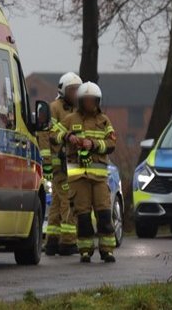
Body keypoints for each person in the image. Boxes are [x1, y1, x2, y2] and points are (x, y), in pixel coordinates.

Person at [55, 81, 118, 263]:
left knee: (104, 214)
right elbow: (53, 134)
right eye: (87, 100)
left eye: (93, 100)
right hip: (78, 178)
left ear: (98, 101)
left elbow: (112, 143)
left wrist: (95, 144)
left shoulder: (104, 121)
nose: (90, 103)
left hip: (99, 178)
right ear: (81, 101)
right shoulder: (70, 119)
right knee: (82, 216)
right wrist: (68, 136)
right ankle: (85, 250)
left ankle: (107, 250)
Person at [40, 72, 82, 256]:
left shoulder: (76, 110)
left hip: (71, 164)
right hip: (59, 165)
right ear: (63, 90)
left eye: (78, 90)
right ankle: (68, 242)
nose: (76, 93)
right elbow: (45, 135)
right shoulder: (54, 108)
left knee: (57, 203)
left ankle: (52, 242)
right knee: (68, 199)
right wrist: (47, 163)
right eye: (72, 90)